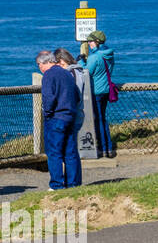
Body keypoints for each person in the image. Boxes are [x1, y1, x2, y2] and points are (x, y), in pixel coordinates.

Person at [37, 50, 82, 189]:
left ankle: (57, 184)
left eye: (39, 65)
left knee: (54, 153)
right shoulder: (66, 73)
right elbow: (77, 95)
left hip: (56, 117)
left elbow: (48, 98)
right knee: (70, 152)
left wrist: (48, 113)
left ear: (45, 62)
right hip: (70, 116)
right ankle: (73, 183)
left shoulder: (49, 75)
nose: (39, 68)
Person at [83, 31, 116, 158]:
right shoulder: (109, 55)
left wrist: (81, 62)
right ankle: (109, 148)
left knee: (98, 120)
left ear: (96, 42)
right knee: (103, 119)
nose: (89, 44)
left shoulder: (94, 57)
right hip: (106, 90)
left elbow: (87, 72)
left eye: (90, 41)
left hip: (95, 91)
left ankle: (102, 149)